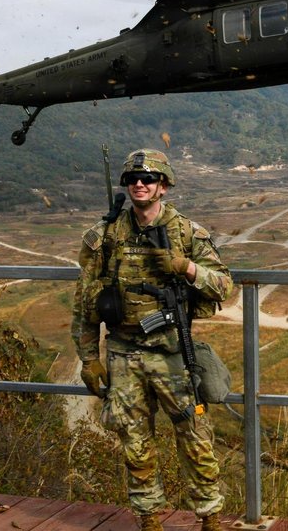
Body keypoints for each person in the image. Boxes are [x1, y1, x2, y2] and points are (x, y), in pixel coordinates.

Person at [72, 148, 234, 531]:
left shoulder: (186, 232)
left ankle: (210, 517)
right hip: (123, 353)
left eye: (148, 179)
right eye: (132, 179)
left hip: (172, 352)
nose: (139, 185)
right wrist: (88, 359)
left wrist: (186, 267)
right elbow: (84, 304)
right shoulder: (105, 235)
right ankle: (150, 519)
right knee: (135, 441)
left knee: (195, 436)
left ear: (163, 185)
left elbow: (224, 285)